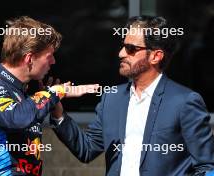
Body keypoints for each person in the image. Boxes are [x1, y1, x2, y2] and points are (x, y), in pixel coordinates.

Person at [51, 16, 214, 176]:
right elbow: (87, 150)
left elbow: (206, 166)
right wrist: (58, 114)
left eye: (131, 49)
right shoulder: (112, 98)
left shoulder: (184, 101)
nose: (121, 53)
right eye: (123, 46)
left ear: (155, 56)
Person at [0, 16, 98, 176]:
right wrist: (55, 92)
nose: (54, 61)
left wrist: (56, 108)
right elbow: (17, 117)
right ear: (29, 58)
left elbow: (84, 151)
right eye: (49, 56)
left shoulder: (22, 91)